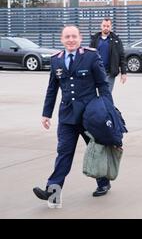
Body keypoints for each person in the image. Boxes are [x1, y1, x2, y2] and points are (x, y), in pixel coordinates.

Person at [33, 25, 114, 208]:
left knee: (95, 151)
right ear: (62, 39)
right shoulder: (56, 60)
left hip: (89, 116)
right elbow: (52, 89)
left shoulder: (91, 56)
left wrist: (107, 109)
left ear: (80, 38)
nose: (70, 40)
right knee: (64, 153)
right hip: (67, 117)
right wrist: (46, 114)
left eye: (74, 36)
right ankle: (52, 193)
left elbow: (102, 85)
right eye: (67, 37)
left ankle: (103, 182)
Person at [90, 17, 127, 92]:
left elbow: (121, 56)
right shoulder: (95, 39)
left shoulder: (116, 40)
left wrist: (123, 73)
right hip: (97, 72)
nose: (106, 28)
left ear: (111, 27)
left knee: (107, 94)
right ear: (101, 26)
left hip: (110, 73)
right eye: (104, 26)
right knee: (96, 95)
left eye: (108, 26)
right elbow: (89, 56)